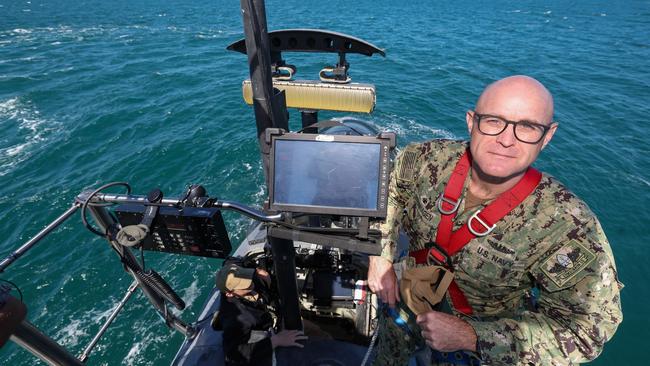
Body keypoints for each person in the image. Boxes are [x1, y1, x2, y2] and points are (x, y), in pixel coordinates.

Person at [367, 75, 623, 365]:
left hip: (482, 350)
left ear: (547, 136)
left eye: (527, 126)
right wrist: (381, 255)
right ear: (471, 121)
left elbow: (586, 331)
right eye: (493, 121)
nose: (506, 139)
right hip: (404, 302)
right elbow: (390, 192)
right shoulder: (427, 159)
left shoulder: (566, 224)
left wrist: (473, 336)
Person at [212, 262, 307, 366]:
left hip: (277, 314)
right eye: (244, 285)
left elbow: (233, 263)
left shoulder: (247, 278)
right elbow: (233, 355)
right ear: (230, 293)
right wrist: (275, 341)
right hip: (269, 329)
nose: (251, 283)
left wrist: (258, 272)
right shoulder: (235, 319)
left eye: (247, 276)